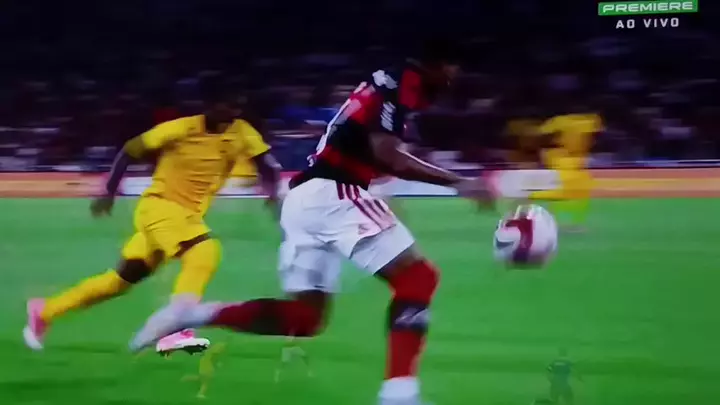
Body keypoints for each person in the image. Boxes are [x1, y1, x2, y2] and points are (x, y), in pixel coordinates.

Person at [130, 38, 494, 405]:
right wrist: (459, 181)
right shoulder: (400, 84)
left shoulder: (387, 84)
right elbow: (389, 156)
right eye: (453, 67)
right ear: (436, 63)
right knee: (418, 277)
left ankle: (192, 313)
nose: (455, 76)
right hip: (333, 193)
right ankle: (399, 393)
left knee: (305, 318)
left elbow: (374, 149)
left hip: (306, 199)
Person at [23, 80, 281, 356]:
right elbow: (130, 149)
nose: (234, 112)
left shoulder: (241, 131)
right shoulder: (180, 129)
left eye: (238, 106)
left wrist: (272, 191)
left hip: (184, 218)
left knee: (119, 281)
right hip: (160, 208)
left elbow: (266, 163)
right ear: (209, 105)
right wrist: (109, 190)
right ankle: (177, 326)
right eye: (228, 105)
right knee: (204, 252)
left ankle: (46, 311)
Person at [530, 104, 603, 232]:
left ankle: (560, 222)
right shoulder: (591, 120)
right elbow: (597, 138)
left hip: (564, 157)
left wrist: (545, 150)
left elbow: (541, 135)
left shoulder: (560, 121)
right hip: (566, 159)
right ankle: (555, 220)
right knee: (569, 191)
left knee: (572, 190)